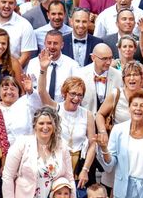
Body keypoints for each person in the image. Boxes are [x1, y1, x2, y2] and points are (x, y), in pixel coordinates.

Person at [37, 51, 96, 189]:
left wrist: (85, 170)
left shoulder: (87, 114)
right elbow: (41, 92)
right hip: (57, 163)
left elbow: (92, 144)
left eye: (80, 95)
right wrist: (43, 70)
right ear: (64, 93)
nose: (76, 98)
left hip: (79, 166)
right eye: (73, 94)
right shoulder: (55, 108)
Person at [96, 90, 143, 197]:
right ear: (129, 108)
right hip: (124, 187)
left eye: (142, 106)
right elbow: (110, 164)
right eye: (135, 105)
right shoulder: (118, 130)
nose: (138, 108)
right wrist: (104, 149)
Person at [2, 106, 75, 198]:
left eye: (49, 123)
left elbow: (70, 178)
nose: (45, 127)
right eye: (41, 123)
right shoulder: (22, 143)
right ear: (35, 125)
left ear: (55, 126)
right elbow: (8, 176)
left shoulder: (62, 146)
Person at [27, 30, 80, 101]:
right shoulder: (33, 63)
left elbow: (76, 90)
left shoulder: (72, 65)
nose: (52, 46)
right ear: (44, 44)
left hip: (62, 109)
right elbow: (29, 90)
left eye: (55, 43)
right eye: (49, 43)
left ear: (62, 45)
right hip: (38, 107)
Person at [0, 74, 41, 146]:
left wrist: (30, 91)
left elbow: (38, 105)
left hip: (25, 149)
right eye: (5, 89)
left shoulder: (26, 102)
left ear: (19, 92)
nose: (9, 92)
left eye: (12, 89)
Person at [77, 43, 123, 115]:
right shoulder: (80, 75)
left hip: (110, 123)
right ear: (93, 58)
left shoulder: (119, 76)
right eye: (104, 59)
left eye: (110, 58)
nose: (108, 62)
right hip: (86, 120)